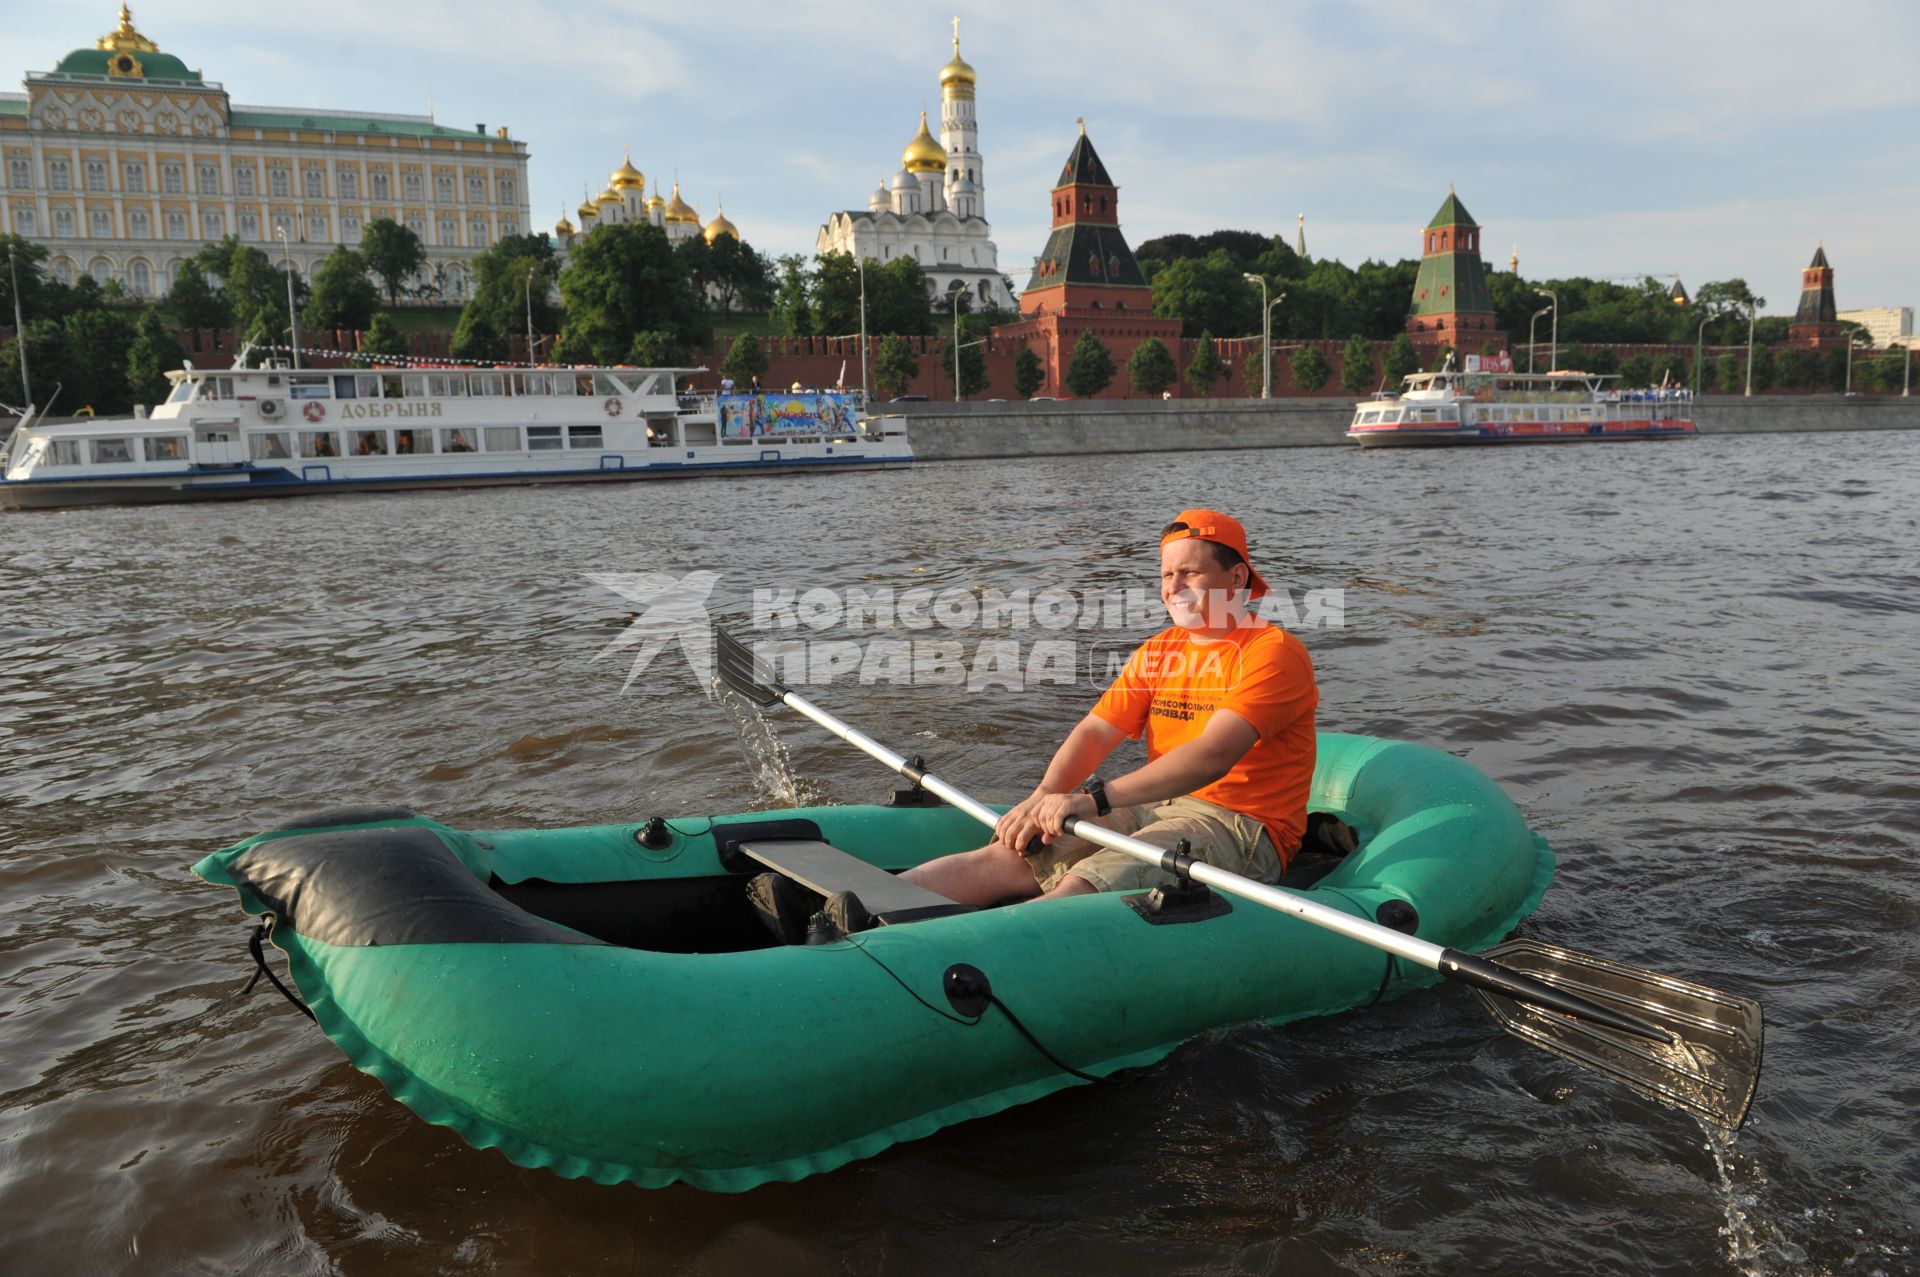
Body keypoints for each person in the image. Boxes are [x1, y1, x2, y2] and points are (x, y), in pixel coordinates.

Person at [903, 509, 1317, 905]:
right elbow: (1097, 730)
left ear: (1237, 577)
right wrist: (1045, 795)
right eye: (1167, 575)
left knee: (1086, 880)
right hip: (1159, 805)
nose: (1173, 588)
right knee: (1011, 854)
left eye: (1190, 573)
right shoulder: (1160, 649)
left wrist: (1096, 799)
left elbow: (1214, 755)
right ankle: (860, 907)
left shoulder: (1273, 652)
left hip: (1238, 823)